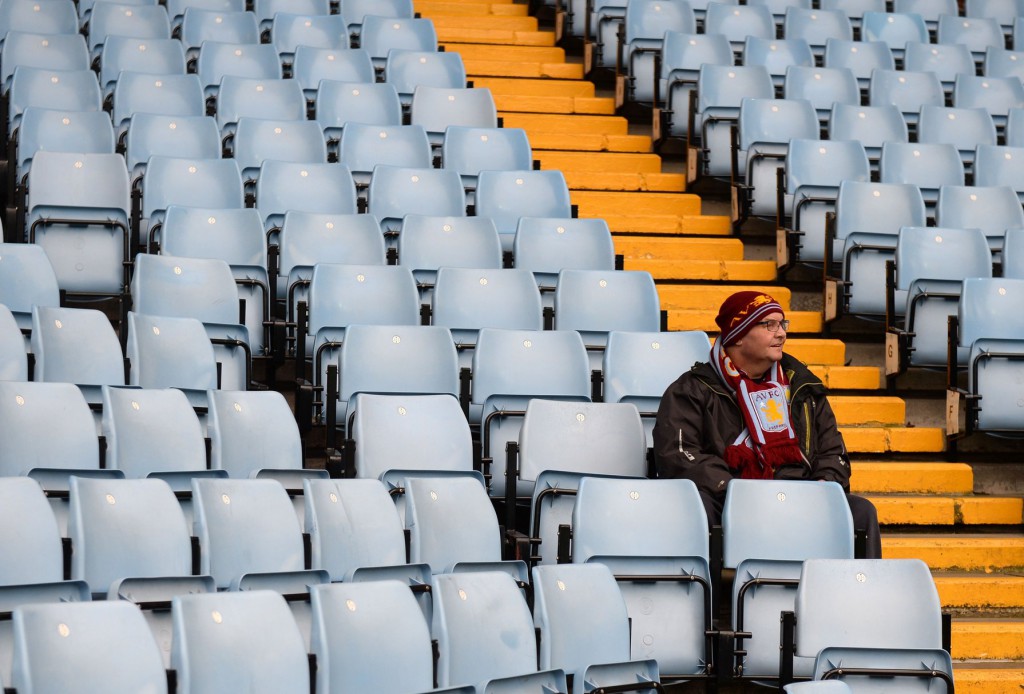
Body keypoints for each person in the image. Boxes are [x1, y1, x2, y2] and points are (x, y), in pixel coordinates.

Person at [652, 290, 882, 558]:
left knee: (862, 512)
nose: (781, 333)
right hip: (731, 500)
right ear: (737, 335)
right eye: (768, 324)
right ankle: (712, 597)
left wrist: (823, 485)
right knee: (697, 508)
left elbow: (833, 451)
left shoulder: (803, 387)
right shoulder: (691, 390)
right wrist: (735, 490)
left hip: (803, 496)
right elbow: (679, 455)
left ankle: (861, 595)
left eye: (782, 324)